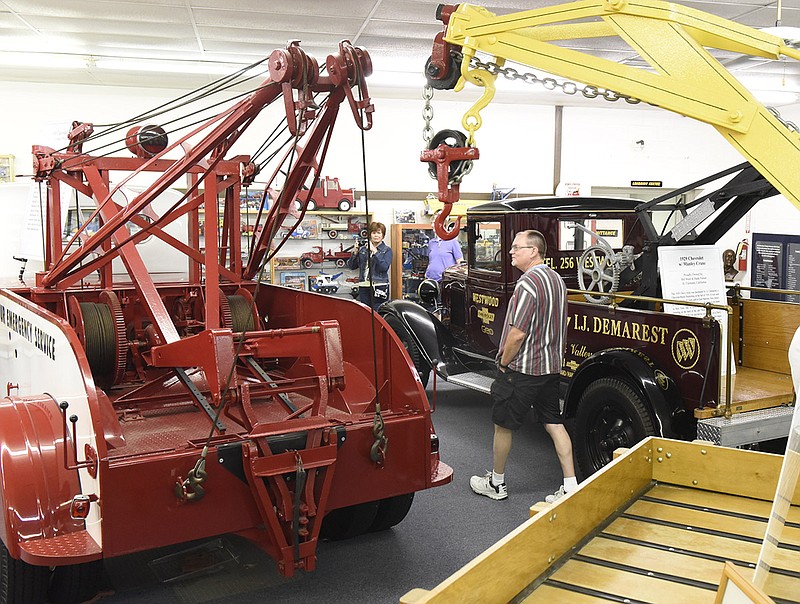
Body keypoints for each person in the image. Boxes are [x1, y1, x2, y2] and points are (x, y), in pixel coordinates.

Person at [470, 229, 577, 503]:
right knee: (554, 423)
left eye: (517, 247)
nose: (511, 252)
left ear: (533, 251)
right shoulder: (558, 280)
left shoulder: (527, 284)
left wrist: (504, 363)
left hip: (523, 370)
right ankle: (570, 485)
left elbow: (517, 333)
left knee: (502, 426)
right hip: (551, 368)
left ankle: (496, 483)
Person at [348, 221, 392, 310]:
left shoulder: (386, 250)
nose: (376, 235)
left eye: (379, 233)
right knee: (366, 312)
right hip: (364, 285)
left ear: (383, 235)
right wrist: (355, 252)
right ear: (370, 234)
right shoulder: (363, 249)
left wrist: (375, 252)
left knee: (378, 311)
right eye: (374, 233)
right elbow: (352, 266)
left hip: (379, 285)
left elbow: (384, 268)